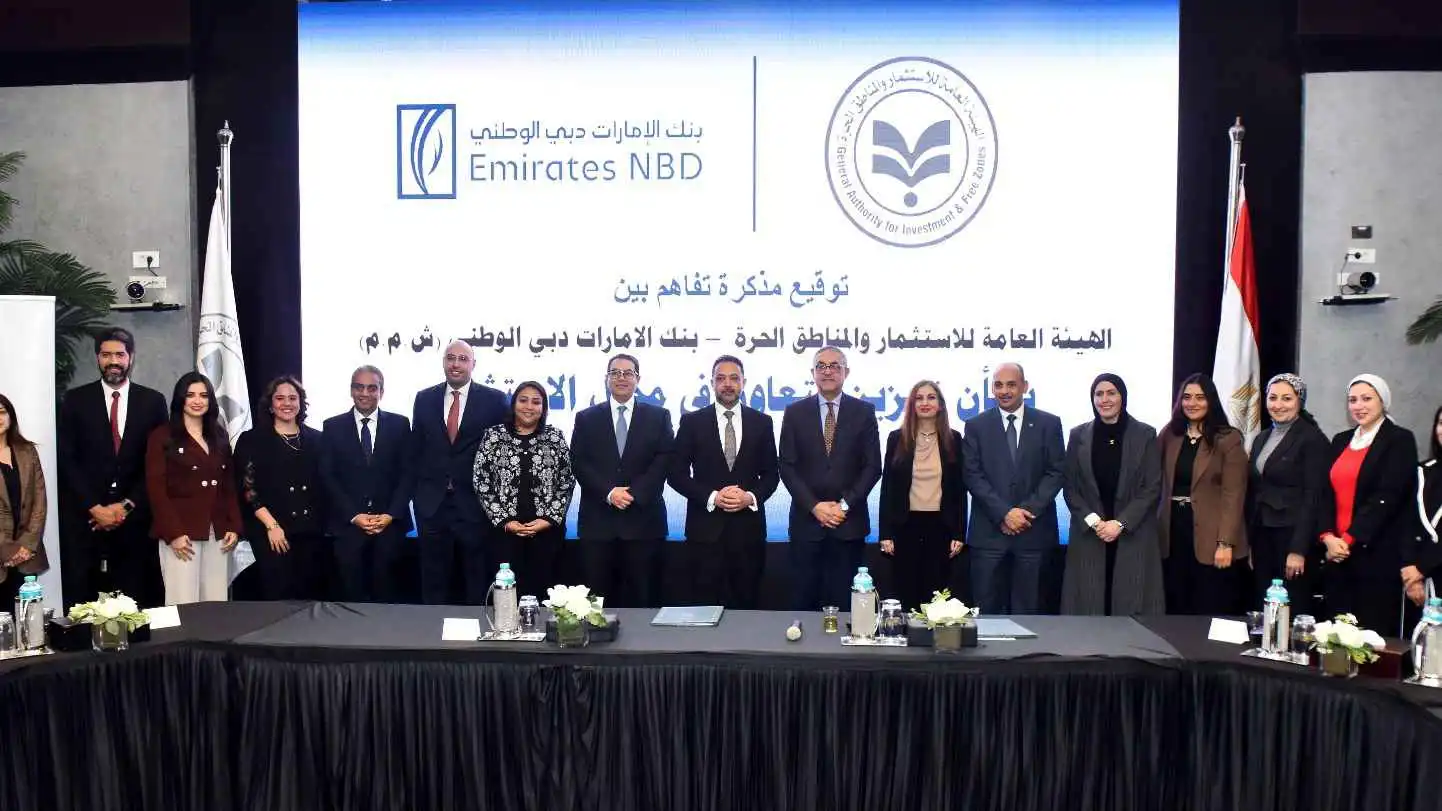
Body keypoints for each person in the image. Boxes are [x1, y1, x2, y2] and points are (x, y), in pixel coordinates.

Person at [57, 327, 168, 608]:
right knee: (85, 604)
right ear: (97, 358)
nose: (113, 361)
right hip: (86, 523)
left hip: (135, 522)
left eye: (119, 354)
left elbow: (156, 463)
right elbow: (67, 460)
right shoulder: (75, 400)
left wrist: (125, 507)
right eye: (106, 355)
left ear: (131, 357)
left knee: (137, 602)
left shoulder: (153, 402)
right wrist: (95, 507)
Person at [668, 356, 779, 608]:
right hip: (704, 534)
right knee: (703, 608)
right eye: (721, 378)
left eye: (734, 378)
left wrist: (750, 497)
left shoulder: (762, 422)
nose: (727, 384)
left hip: (749, 534)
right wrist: (712, 497)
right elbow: (675, 474)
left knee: (747, 608)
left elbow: (772, 474)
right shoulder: (692, 422)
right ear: (712, 383)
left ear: (743, 382)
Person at [778, 347, 881, 610]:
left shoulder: (864, 411)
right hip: (806, 525)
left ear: (846, 372)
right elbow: (787, 467)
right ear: (812, 373)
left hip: (849, 525)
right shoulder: (794, 412)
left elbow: (872, 467)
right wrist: (815, 506)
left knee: (847, 604)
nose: (827, 371)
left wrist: (843, 506)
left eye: (835, 365)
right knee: (803, 602)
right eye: (821, 366)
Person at [1316, 374, 1417, 637]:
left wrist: (1349, 539)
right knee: (1336, 634)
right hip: (1337, 554)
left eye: (1366, 399)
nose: (1359, 406)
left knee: (1371, 637)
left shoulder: (1399, 440)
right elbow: (1324, 493)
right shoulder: (1340, 440)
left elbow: (1387, 498)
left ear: (1383, 401)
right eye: (1352, 400)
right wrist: (1327, 537)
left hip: (1375, 554)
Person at [960, 363, 1065, 615]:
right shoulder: (975, 425)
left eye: (1011, 384)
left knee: (1030, 614)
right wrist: (1004, 514)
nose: (1004, 391)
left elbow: (1056, 472)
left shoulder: (1049, 423)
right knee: (986, 615)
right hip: (989, 535)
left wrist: (1024, 513)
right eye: (998, 385)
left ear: (1024, 387)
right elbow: (972, 475)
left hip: (1033, 534)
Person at [570, 354, 674, 606]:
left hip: (644, 524)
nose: (621, 378)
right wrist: (609, 493)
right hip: (598, 526)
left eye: (628, 373)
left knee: (645, 600)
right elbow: (578, 462)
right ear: (606, 379)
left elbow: (664, 460)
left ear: (638, 379)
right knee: (596, 605)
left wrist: (634, 494)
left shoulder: (659, 416)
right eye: (615, 373)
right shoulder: (586, 418)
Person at [411, 341, 507, 605]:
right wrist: (418, 496)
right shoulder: (424, 398)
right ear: (443, 362)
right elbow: (416, 450)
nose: (455, 364)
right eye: (450, 358)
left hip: (475, 506)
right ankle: (431, 630)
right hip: (432, 506)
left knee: (476, 581)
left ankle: (478, 630)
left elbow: (502, 453)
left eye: (463, 359)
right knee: (433, 581)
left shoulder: (495, 400)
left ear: (473, 364)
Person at [1060, 374, 1164, 616]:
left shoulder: (1145, 434)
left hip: (1132, 534)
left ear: (1122, 397)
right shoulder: (1078, 435)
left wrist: (1120, 523)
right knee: (1088, 606)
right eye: (1099, 394)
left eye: (1111, 393)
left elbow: (1152, 487)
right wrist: (1094, 522)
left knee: (1131, 606)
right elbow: (1070, 486)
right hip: (1090, 535)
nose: (1104, 399)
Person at [145, 372, 241, 604]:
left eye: (203, 395)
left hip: (218, 532)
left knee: (215, 602)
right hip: (182, 533)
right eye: (190, 395)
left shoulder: (219, 434)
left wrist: (234, 525)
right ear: (181, 399)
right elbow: (156, 489)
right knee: (183, 601)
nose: (197, 401)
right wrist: (174, 533)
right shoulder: (162, 436)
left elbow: (228, 485)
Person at [320, 366, 413, 603]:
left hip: (389, 527)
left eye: (372, 388)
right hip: (348, 526)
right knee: (351, 597)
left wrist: (391, 514)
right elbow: (328, 476)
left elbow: (408, 474)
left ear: (382, 392)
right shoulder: (332, 427)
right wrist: (354, 515)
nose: (364, 393)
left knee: (387, 597)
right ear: (351, 390)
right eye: (359, 387)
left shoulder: (400, 425)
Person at [1158, 373, 1249, 616]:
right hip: (1174, 533)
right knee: (1176, 604)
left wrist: (1225, 543)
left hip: (1212, 535)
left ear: (1211, 401)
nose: (1192, 403)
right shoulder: (1170, 434)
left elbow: (1234, 494)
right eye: (1187, 397)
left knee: (1209, 605)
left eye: (1200, 397)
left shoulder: (1228, 438)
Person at [474, 381, 574, 596]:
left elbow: (566, 481)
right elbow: (481, 481)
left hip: (547, 534)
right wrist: (505, 520)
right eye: (523, 400)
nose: (529, 407)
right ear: (513, 405)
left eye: (536, 402)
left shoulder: (555, 436)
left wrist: (549, 518)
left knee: (545, 595)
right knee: (507, 596)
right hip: (504, 534)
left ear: (543, 408)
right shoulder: (493, 436)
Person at [233, 376, 328, 600]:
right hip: (271, 531)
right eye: (280, 398)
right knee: (278, 596)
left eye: (293, 398)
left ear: (301, 403)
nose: (287, 403)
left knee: (308, 598)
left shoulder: (318, 439)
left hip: (310, 532)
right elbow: (248, 489)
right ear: (270, 404)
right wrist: (272, 526)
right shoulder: (252, 440)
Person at [1246, 373, 1330, 616]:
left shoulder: (1312, 439)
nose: (1278, 404)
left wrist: (1298, 550)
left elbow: (1313, 497)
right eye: (1272, 398)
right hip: (1263, 533)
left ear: (1299, 401)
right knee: (1264, 605)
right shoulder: (1262, 437)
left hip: (1292, 536)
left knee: (1292, 606)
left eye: (1286, 398)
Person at [878, 381, 965, 612]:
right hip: (905, 526)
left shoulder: (954, 439)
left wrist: (959, 532)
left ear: (941, 405)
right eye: (919, 398)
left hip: (941, 527)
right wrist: (885, 533)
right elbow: (887, 488)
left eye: (931, 397)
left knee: (935, 595)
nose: (925, 403)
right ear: (911, 405)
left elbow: (959, 490)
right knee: (905, 592)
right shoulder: (897, 438)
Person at [0, 394, 49, 604]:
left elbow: (40, 500)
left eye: (2, 412)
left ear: (10, 416)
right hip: (2, 551)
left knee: (28, 617)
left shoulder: (27, 450)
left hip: (26, 555)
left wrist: (27, 545)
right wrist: (7, 549)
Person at [1404, 404, 1442, 606]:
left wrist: (1422, 567)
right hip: (1419, 585)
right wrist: (1409, 567)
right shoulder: (1422, 471)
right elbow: (1406, 522)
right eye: (1441, 423)